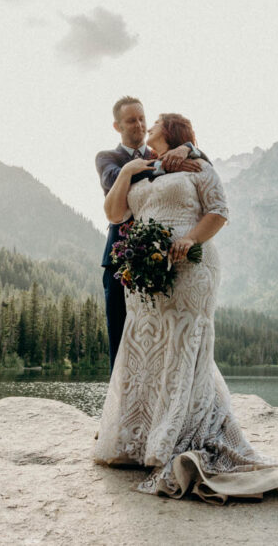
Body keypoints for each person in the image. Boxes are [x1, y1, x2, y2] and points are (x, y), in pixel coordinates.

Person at [93, 112, 278, 503]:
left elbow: (219, 211)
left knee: (182, 343)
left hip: (190, 267)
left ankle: (176, 435)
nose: (150, 125)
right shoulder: (143, 168)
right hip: (146, 273)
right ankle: (140, 439)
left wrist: (189, 241)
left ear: (173, 132)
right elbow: (114, 214)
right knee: (146, 346)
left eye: (156, 121)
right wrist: (127, 170)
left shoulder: (197, 165)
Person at [95, 97, 202, 370]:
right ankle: (117, 408)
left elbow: (203, 157)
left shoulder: (160, 151)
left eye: (142, 119)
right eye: (131, 120)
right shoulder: (107, 158)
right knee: (120, 335)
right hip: (120, 259)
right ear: (117, 126)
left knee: (159, 336)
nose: (140, 125)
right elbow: (113, 179)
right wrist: (164, 165)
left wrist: (188, 147)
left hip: (161, 258)